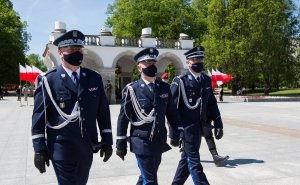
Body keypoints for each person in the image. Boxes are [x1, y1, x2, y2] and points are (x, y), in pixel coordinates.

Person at [31, 30, 113, 185]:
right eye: (72, 50)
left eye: (79, 49)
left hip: (87, 145)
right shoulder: (48, 80)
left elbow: (103, 112)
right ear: (61, 52)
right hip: (61, 147)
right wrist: (39, 148)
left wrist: (107, 140)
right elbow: (38, 117)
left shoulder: (93, 78)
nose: (77, 53)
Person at [115, 47, 184, 185]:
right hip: (141, 142)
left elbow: (172, 113)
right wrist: (120, 143)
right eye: (147, 63)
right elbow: (123, 119)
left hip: (158, 141)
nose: (151, 66)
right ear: (139, 67)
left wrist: (177, 133)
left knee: (146, 176)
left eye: (153, 63)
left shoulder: (164, 88)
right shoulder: (132, 90)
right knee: (151, 180)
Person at [170, 46, 225, 185]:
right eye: (195, 59)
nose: (198, 62)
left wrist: (218, 123)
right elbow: (170, 110)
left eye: (200, 59)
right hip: (186, 130)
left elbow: (212, 103)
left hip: (199, 128)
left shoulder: (206, 80)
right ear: (188, 62)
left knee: (185, 163)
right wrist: (174, 133)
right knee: (195, 165)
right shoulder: (180, 81)